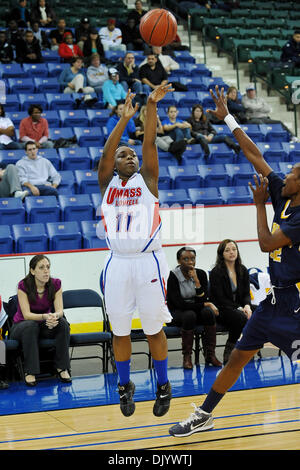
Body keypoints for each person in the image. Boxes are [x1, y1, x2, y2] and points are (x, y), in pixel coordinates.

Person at [168, 85, 300, 438]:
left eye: (292, 174)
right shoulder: (285, 196)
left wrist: (258, 205)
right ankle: (204, 414)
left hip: (297, 305)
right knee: (239, 356)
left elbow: (267, 242)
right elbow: (255, 155)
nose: (284, 174)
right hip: (275, 300)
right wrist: (227, 116)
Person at [98, 84, 174, 417]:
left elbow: (148, 143)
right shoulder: (107, 183)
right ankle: (125, 386)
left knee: (154, 328)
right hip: (117, 263)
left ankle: (162, 384)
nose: (131, 157)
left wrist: (150, 106)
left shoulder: (149, 180)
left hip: (148, 263)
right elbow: (105, 156)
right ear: (115, 165)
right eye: (123, 155)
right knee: (120, 330)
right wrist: (122, 120)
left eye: (133, 155)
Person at [10, 255, 71, 386]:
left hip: (43, 324)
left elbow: (60, 310)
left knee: (63, 324)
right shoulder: (23, 285)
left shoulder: (56, 284)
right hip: (21, 326)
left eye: (48, 267)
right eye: (41, 268)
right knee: (31, 326)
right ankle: (30, 372)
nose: (46, 271)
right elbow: (26, 315)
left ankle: (62, 368)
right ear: (32, 271)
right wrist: (45, 316)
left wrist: (54, 316)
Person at [167, 247, 222, 369]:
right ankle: (187, 357)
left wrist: (196, 281)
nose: (190, 262)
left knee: (208, 313)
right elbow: (179, 304)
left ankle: (210, 355)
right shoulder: (173, 276)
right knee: (189, 315)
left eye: (192, 258)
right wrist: (204, 304)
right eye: (185, 259)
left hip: (195, 309)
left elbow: (203, 299)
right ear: (178, 261)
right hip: (179, 312)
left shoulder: (201, 274)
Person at [209, 239, 252, 365]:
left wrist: (247, 305)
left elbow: (245, 293)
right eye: (227, 250)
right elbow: (220, 299)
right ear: (221, 254)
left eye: (234, 249)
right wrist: (240, 308)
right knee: (240, 317)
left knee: (259, 311)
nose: (231, 252)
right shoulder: (216, 272)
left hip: (239, 308)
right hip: (222, 309)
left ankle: (249, 348)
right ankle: (230, 350)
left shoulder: (243, 270)